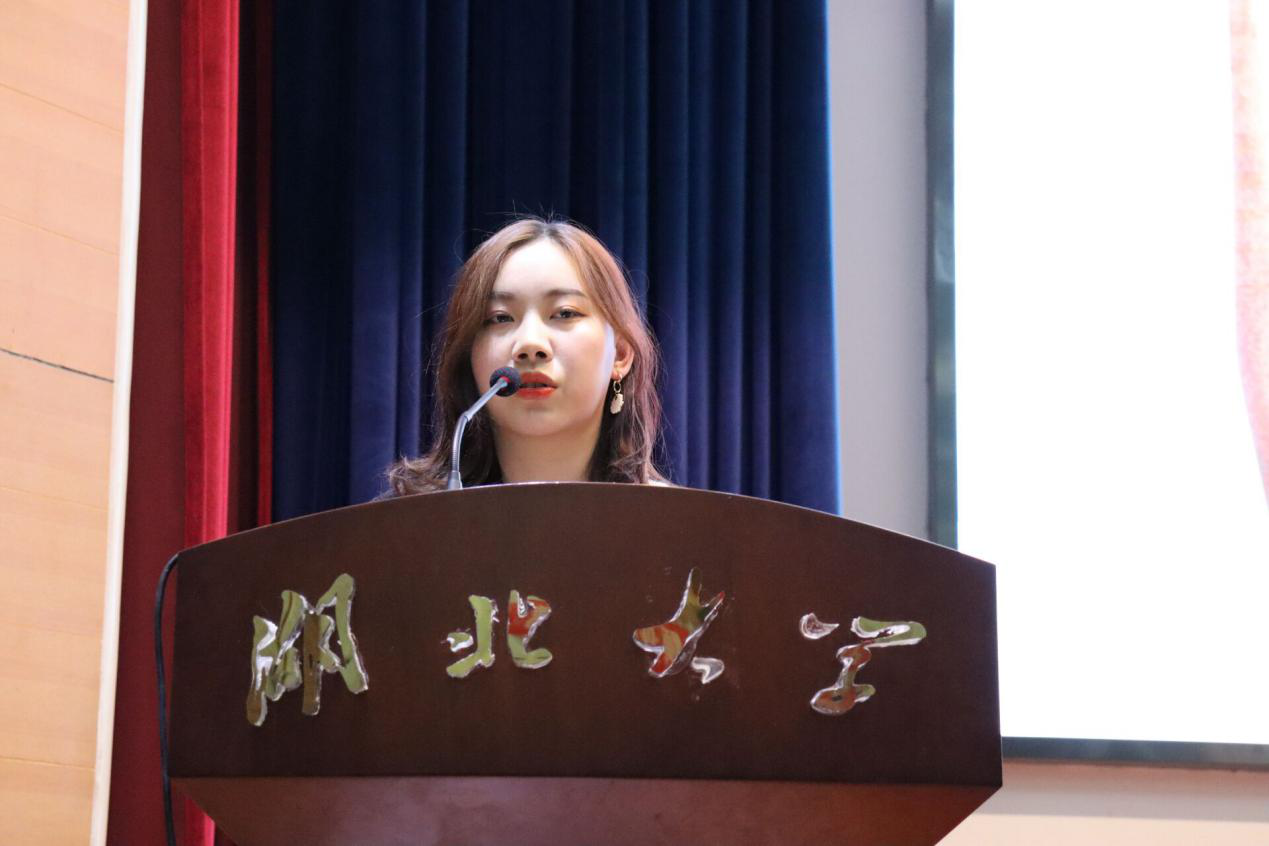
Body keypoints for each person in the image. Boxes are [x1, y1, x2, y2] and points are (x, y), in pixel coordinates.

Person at [386, 217, 670, 494]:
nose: (530, 343)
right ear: (468, 357)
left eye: (565, 313)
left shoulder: (674, 517)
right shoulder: (409, 519)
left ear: (620, 355)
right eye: (500, 318)